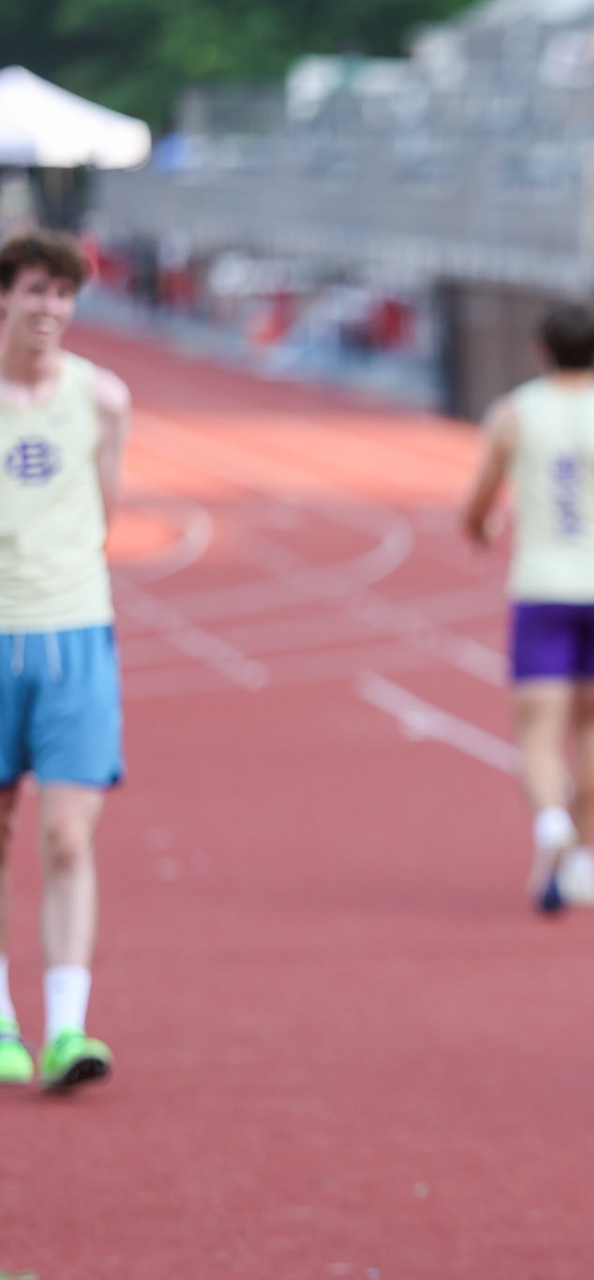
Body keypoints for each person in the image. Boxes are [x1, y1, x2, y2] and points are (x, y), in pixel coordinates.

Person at [462, 303, 594, 914]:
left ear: (539, 349)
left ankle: (552, 827)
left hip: (541, 589)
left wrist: (481, 528)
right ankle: (583, 859)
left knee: (535, 731)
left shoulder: (513, 415)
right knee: (591, 731)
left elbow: (477, 503)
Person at [0, 229, 132, 1091]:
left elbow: (107, 507)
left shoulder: (104, 399)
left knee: (68, 837)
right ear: (3, 300)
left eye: (63, 294)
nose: (49, 308)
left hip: (77, 633)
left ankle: (67, 1030)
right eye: (34, 291)